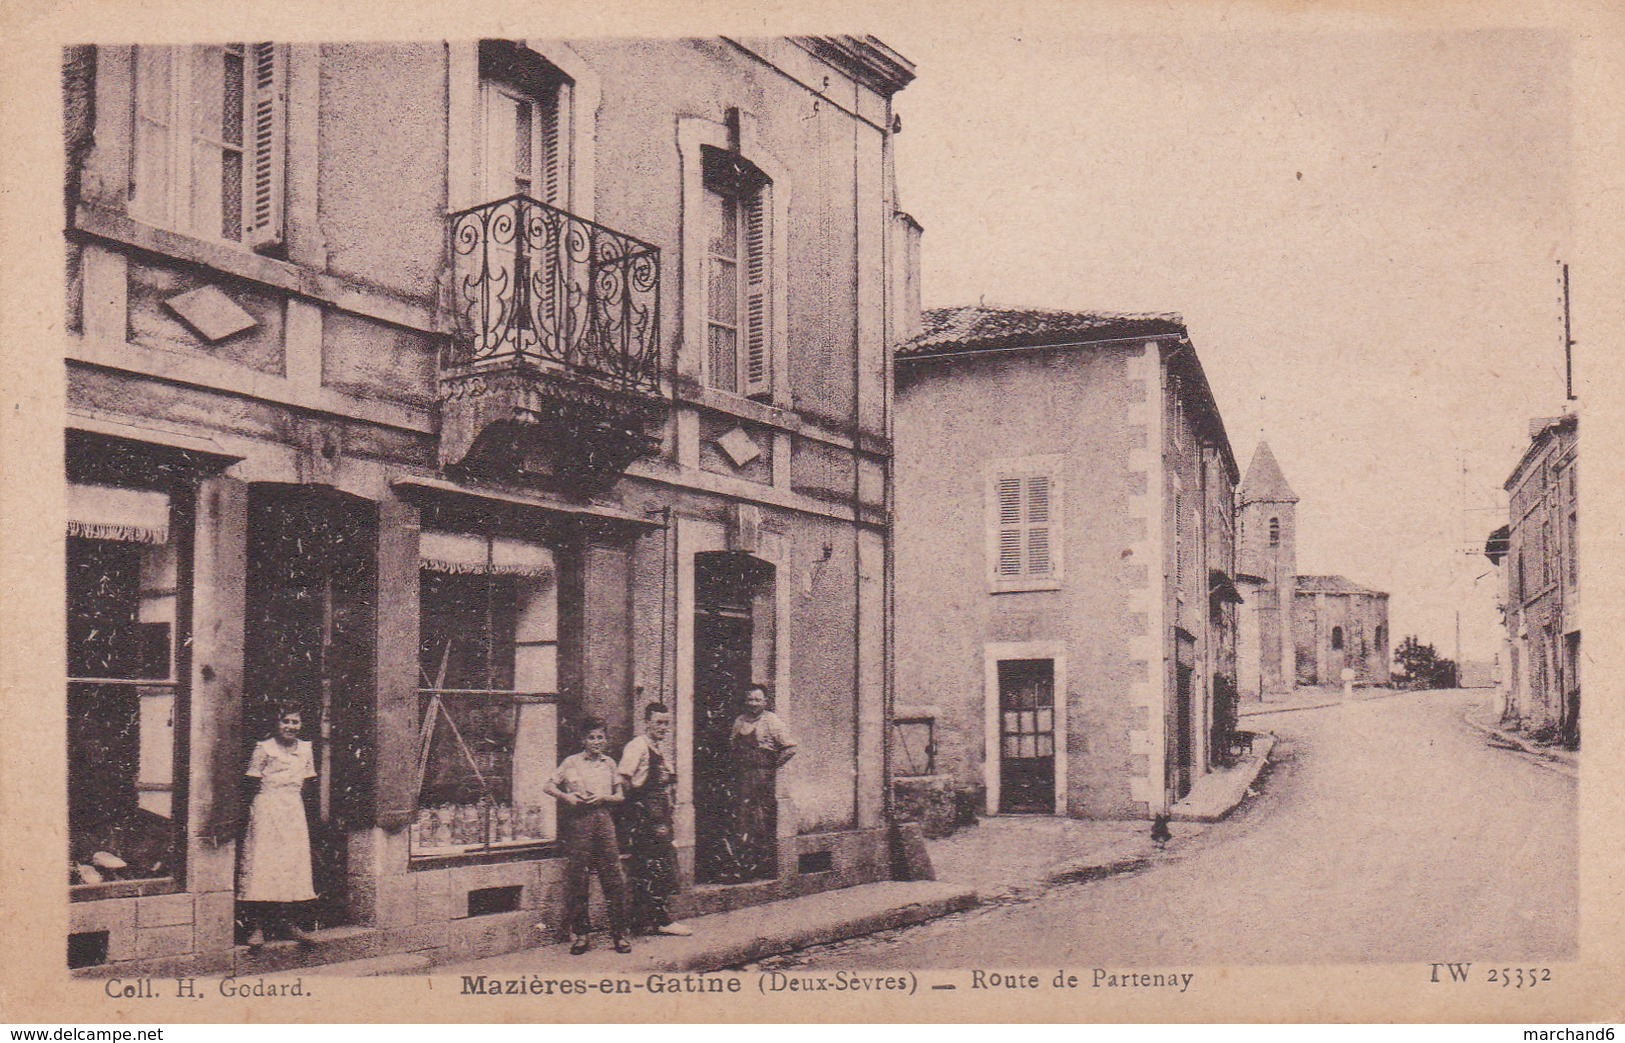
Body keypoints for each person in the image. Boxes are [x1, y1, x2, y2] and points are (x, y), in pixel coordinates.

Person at [544, 716, 632, 955]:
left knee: (613, 878)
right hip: (579, 822)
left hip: (603, 820)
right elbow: (549, 786)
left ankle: (620, 935)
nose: (596, 742)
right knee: (578, 879)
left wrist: (604, 798)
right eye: (591, 738)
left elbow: (620, 796)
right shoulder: (571, 762)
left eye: (600, 737)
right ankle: (581, 935)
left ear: (605, 739)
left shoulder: (610, 764)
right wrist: (567, 798)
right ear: (583, 740)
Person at [239, 706, 318, 948]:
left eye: (295, 721)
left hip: (293, 811)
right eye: (285, 721)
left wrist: (290, 806)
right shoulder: (264, 749)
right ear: (276, 723)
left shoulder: (306, 749)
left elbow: (306, 783)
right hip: (266, 810)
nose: (291, 726)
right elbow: (251, 783)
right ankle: (257, 926)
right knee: (264, 864)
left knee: (291, 864)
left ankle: (289, 924)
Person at [617, 702, 692, 937]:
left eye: (667, 723)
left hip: (659, 817)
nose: (663, 727)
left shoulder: (657, 748)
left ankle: (646, 920)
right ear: (646, 722)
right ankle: (660, 920)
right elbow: (624, 779)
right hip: (646, 819)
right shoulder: (637, 746)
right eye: (659, 722)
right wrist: (637, 810)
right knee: (653, 867)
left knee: (658, 867)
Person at [730, 684, 797, 880]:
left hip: (762, 779)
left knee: (759, 820)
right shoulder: (739, 721)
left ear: (765, 702)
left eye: (757, 700)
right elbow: (732, 744)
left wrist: (772, 766)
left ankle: (762, 865)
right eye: (750, 699)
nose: (753, 704)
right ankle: (742, 865)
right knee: (741, 819)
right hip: (743, 776)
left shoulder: (771, 721)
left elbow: (790, 747)